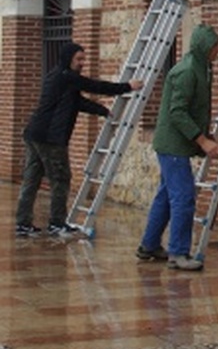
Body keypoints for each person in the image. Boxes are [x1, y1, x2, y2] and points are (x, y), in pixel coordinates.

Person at [15, 42, 143, 237]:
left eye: (84, 59)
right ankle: (56, 223)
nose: (82, 63)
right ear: (68, 58)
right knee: (60, 179)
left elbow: (76, 102)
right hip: (50, 138)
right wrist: (127, 86)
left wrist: (101, 111)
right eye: (79, 59)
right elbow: (95, 86)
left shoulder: (59, 77)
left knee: (31, 179)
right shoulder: (66, 77)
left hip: (35, 134)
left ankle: (23, 224)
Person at [137, 23, 218, 271]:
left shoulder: (202, 68)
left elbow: (196, 109)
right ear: (205, 47)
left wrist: (209, 135)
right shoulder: (186, 72)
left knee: (165, 196)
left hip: (176, 145)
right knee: (183, 197)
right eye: (215, 46)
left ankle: (149, 246)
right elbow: (177, 112)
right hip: (173, 146)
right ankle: (178, 253)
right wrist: (202, 141)